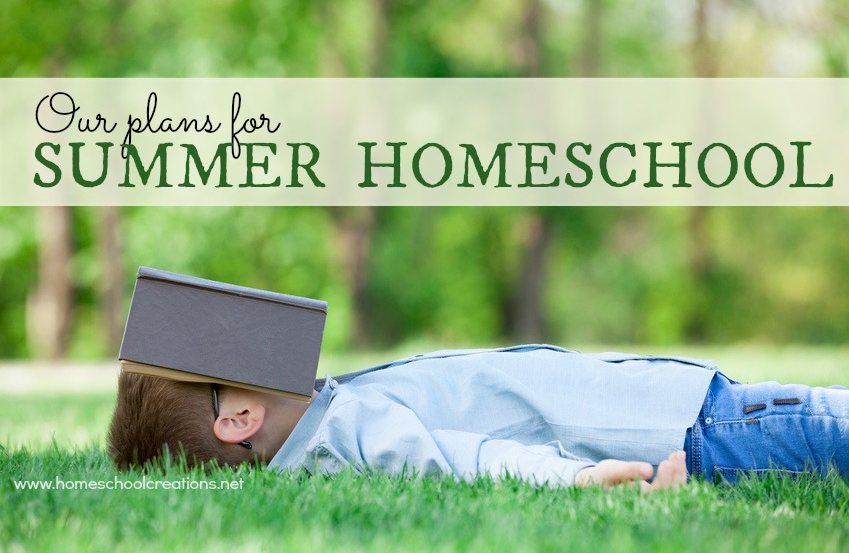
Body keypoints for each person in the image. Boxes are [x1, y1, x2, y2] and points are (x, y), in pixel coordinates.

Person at [108, 344, 849, 490]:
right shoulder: (342, 437)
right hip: (702, 430)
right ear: (238, 414)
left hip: (695, 411)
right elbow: (465, 459)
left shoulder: (330, 406)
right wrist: (583, 479)